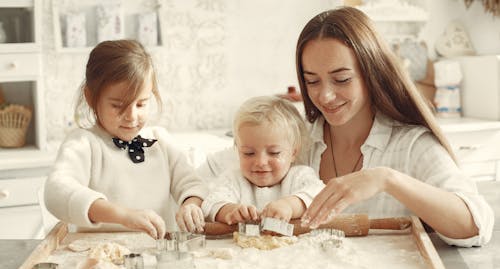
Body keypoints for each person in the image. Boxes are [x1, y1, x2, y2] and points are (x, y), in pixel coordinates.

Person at [198, 7, 493, 247]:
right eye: (312, 81)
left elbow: (475, 225)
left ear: (371, 73)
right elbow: (201, 178)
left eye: (341, 79)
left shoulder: (413, 145)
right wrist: (193, 202)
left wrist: (386, 180)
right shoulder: (295, 138)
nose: (325, 96)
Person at [44, 39, 207, 239]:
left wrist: (191, 204)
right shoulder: (84, 144)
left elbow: (192, 184)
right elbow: (56, 192)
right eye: (118, 105)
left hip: (157, 256)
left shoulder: (161, 141)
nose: (131, 116)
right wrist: (123, 216)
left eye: (141, 104)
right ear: (90, 97)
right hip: (100, 256)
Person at [201, 96, 324, 225]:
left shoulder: (300, 175)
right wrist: (230, 211)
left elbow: (317, 195)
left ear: (293, 152)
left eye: (274, 153)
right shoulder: (234, 179)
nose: (260, 162)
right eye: (249, 153)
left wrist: (289, 206)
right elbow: (210, 204)